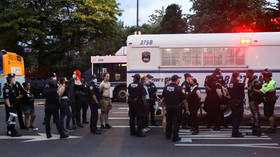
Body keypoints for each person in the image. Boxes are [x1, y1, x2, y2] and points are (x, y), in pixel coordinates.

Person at [161, 75, 189, 142]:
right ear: (176, 80)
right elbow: (184, 100)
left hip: (168, 107)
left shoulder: (166, 87)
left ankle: (168, 135)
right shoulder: (179, 88)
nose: (179, 80)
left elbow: (163, 98)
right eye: (178, 79)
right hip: (176, 107)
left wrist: (163, 106)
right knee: (176, 122)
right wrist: (187, 109)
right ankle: (175, 137)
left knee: (169, 121)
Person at [228, 72, 245, 137]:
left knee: (235, 117)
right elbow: (244, 86)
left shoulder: (231, 83)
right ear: (237, 76)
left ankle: (236, 131)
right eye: (239, 76)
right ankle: (235, 133)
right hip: (238, 102)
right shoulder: (237, 82)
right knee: (238, 117)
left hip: (233, 101)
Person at [246, 70, 262, 136]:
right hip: (251, 99)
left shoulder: (256, 81)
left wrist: (257, 100)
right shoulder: (250, 80)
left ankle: (257, 128)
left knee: (255, 113)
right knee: (254, 113)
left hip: (254, 100)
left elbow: (259, 91)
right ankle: (255, 128)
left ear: (251, 73)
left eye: (247, 73)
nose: (246, 74)